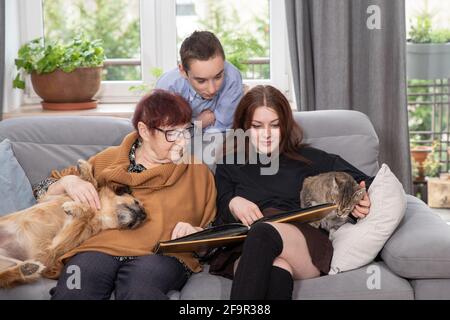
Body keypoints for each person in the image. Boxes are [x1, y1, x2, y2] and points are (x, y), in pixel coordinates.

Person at [32, 89, 216, 300]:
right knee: (74, 290)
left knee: (139, 291)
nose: (182, 142)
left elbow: (212, 236)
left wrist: (195, 234)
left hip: (160, 256)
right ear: (144, 131)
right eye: (172, 133)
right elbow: (42, 189)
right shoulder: (108, 160)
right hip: (97, 250)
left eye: (186, 131)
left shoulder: (197, 172)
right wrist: (68, 181)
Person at [209, 85, 374, 300]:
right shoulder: (229, 166)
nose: (266, 135)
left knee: (264, 232)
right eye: (257, 126)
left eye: (275, 126)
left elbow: (367, 181)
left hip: (301, 245)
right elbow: (219, 219)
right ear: (243, 127)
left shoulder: (308, 158)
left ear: (285, 125)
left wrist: (362, 196)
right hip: (248, 247)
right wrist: (233, 202)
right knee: (277, 268)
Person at [155, 31, 243, 132]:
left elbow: (221, 131)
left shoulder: (232, 78)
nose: (212, 90)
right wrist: (196, 124)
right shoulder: (167, 87)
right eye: (201, 81)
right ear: (183, 71)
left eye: (218, 77)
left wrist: (186, 127)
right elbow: (165, 134)